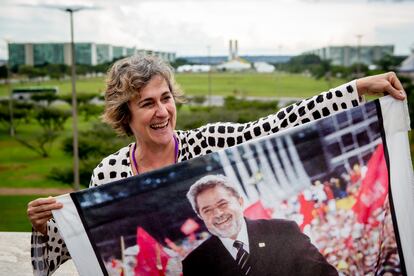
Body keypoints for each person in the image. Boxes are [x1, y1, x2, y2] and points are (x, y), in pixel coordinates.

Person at [26, 54, 406, 275]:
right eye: (147, 103)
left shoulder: (207, 142)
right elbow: (74, 252)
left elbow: (277, 124)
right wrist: (45, 227)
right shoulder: (109, 174)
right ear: (124, 116)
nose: (162, 112)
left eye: (166, 98)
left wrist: (353, 90)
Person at [182, 174, 338, 276]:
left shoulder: (283, 231)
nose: (217, 214)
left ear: (240, 202)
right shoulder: (195, 264)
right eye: (207, 210)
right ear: (200, 216)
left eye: (222, 204)